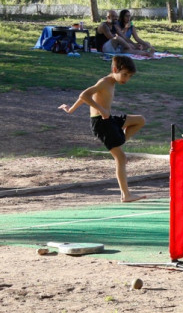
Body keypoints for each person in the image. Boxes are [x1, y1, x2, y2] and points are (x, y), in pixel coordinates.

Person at [58, 55, 146, 203]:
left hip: (108, 120)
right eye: (124, 75)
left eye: (129, 76)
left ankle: (119, 138)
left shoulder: (109, 82)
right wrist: (101, 109)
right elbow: (84, 95)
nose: (126, 79)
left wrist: (71, 109)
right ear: (114, 70)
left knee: (140, 120)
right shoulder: (104, 82)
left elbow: (86, 95)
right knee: (121, 157)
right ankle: (126, 195)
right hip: (101, 123)